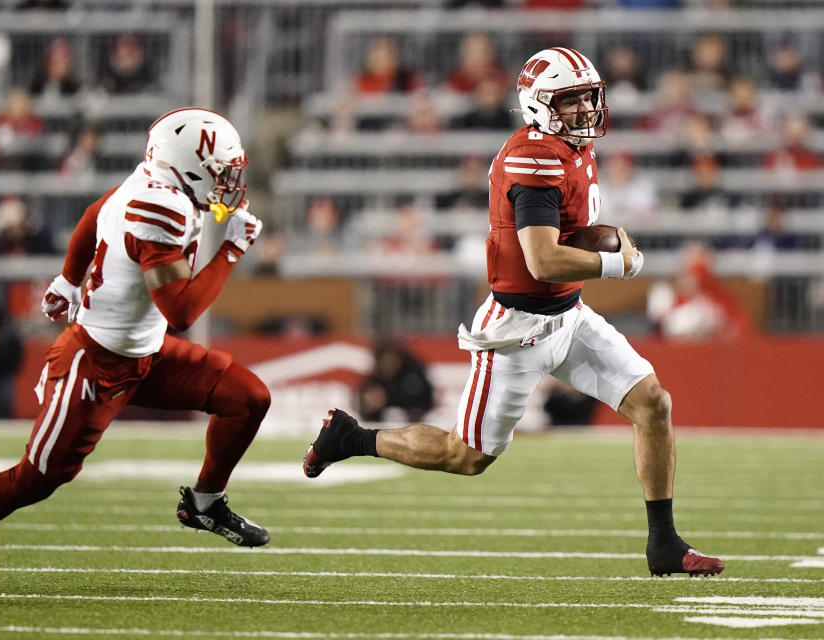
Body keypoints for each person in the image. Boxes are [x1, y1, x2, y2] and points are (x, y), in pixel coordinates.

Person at [303, 47, 724, 579]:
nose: (585, 110)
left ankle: (663, 544)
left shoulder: (573, 149)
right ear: (539, 105)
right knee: (466, 457)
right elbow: (543, 259)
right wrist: (618, 263)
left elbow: (565, 236)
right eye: (571, 100)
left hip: (568, 315)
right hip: (516, 329)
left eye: (587, 97)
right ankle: (352, 437)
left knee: (653, 404)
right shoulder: (534, 157)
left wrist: (604, 241)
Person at [0, 108, 272, 602]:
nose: (227, 183)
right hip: (94, 362)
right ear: (190, 167)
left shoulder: (156, 184)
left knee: (248, 397)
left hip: (146, 355)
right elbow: (180, 309)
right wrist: (231, 251)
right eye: (220, 171)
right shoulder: (164, 208)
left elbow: (98, 210)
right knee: (36, 478)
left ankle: (204, 502)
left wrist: (68, 278)